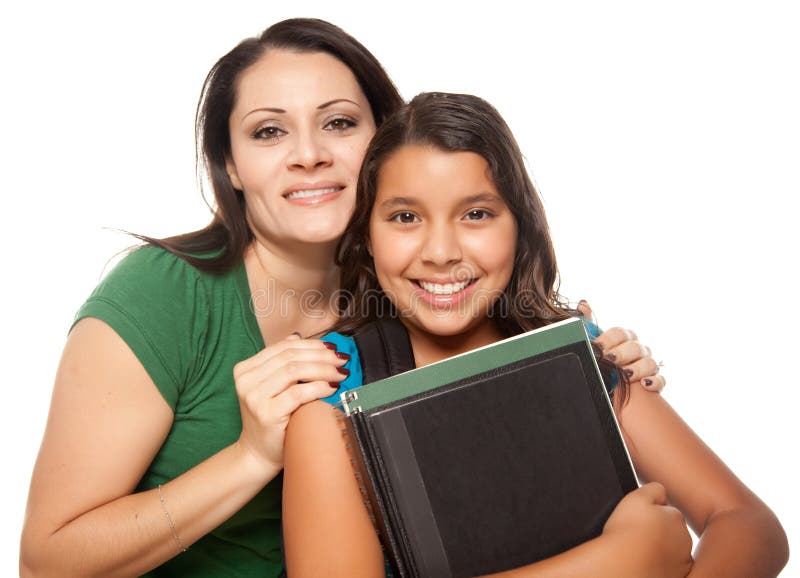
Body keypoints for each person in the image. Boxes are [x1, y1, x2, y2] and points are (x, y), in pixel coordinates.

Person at [19, 20, 663, 578]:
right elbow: (48, 562)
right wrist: (250, 457)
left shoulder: (420, 289)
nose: (309, 155)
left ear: (383, 141)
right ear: (232, 165)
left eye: (339, 123)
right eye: (269, 132)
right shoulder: (163, 293)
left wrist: (593, 378)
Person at [282, 92, 789, 578]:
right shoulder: (331, 397)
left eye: (477, 214)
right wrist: (616, 565)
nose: (440, 252)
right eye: (406, 217)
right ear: (367, 236)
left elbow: (749, 524)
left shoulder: (578, 358)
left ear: (520, 227)